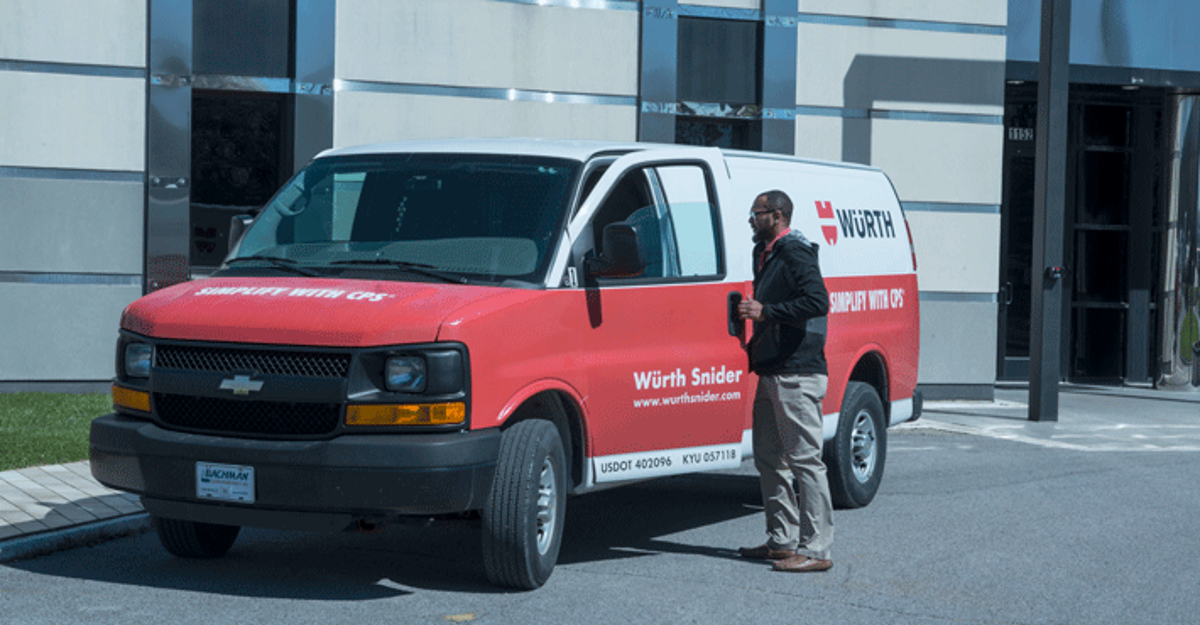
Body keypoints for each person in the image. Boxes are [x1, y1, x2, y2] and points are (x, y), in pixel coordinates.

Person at [736, 189, 834, 573]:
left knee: (806, 462)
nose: (750, 219)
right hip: (773, 370)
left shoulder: (795, 251)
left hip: (798, 372)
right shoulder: (768, 252)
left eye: (755, 212)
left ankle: (816, 550)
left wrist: (766, 311)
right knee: (769, 458)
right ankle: (781, 541)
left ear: (776, 215)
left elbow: (818, 301)